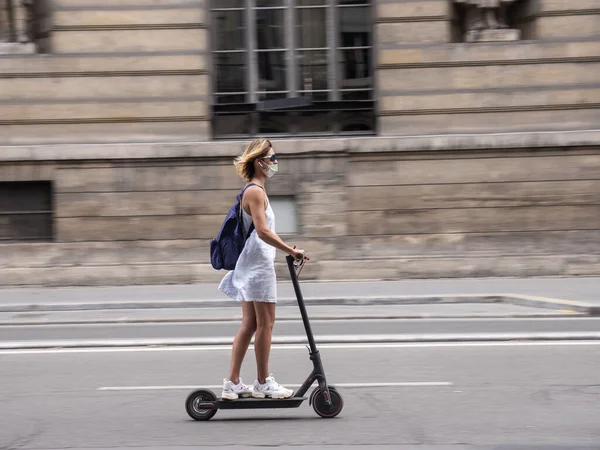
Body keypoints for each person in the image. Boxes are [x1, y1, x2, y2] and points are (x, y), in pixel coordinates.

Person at [219, 138, 306, 400]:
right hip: (258, 266)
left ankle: (232, 383)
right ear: (260, 162)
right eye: (272, 158)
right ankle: (262, 382)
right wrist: (290, 251)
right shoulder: (255, 191)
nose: (275, 162)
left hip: (251, 264)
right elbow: (263, 230)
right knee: (265, 324)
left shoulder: (254, 190)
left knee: (250, 324)